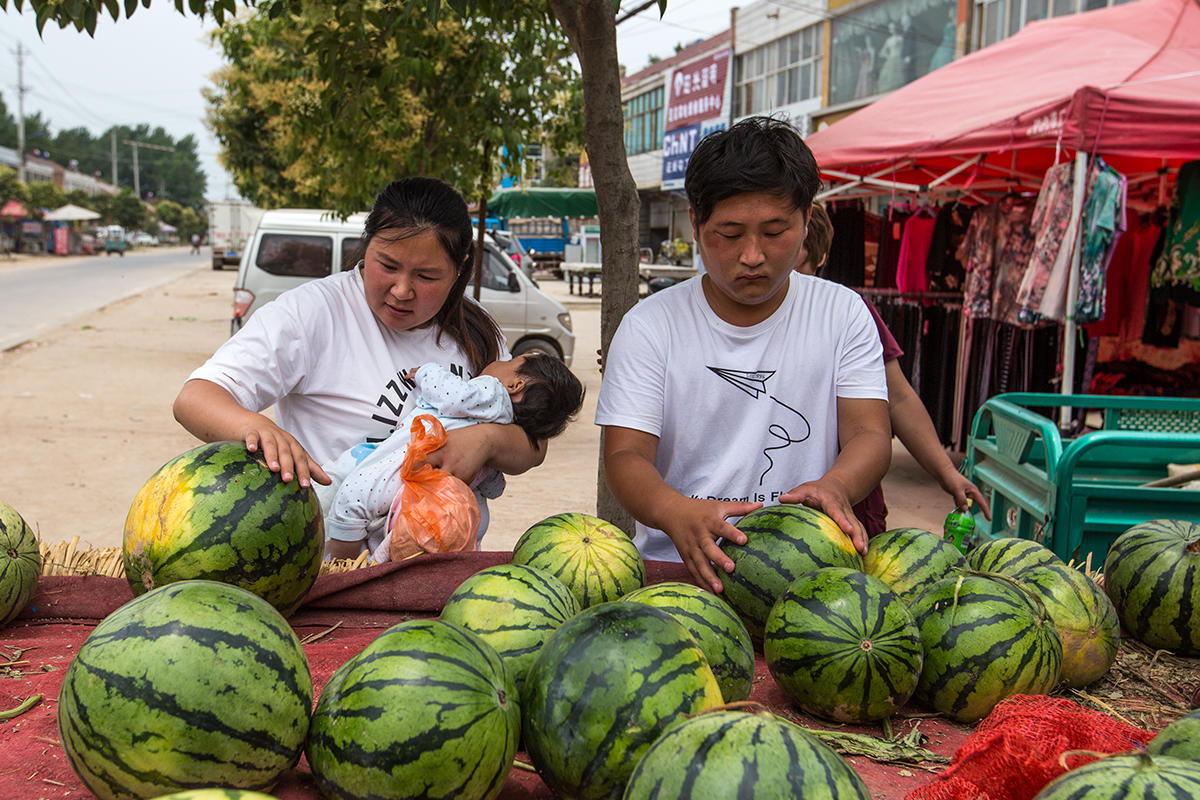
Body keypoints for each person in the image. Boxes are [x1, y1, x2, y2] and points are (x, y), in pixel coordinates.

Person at [595, 117, 892, 593]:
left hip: (810, 580)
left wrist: (838, 485)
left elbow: (871, 433)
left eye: (775, 231)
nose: (752, 255)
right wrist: (676, 511)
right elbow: (625, 456)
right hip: (680, 575)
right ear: (695, 222)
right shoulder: (650, 326)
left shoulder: (842, 314)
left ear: (806, 220)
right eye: (730, 234)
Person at [173, 177, 548, 542]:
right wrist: (255, 427)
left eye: (427, 275)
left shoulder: (476, 328)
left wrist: (485, 441)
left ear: (461, 268)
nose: (402, 290)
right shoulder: (313, 312)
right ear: (366, 246)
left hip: (441, 566)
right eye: (387, 265)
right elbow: (195, 399)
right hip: (332, 571)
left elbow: (533, 445)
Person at [798, 202, 991, 531]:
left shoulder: (850, 314)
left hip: (851, 506)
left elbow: (899, 397)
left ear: (819, 256)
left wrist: (946, 472)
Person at [318, 353, 584, 561]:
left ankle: (343, 565)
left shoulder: (492, 392)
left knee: (351, 501)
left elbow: (455, 396)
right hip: (438, 498)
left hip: (405, 465)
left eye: (510, 361)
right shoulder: (507, 423)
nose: (498, 361)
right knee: (402, 540)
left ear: (515, 385)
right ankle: (373, 563)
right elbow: (494, 486)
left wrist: (427, 372)